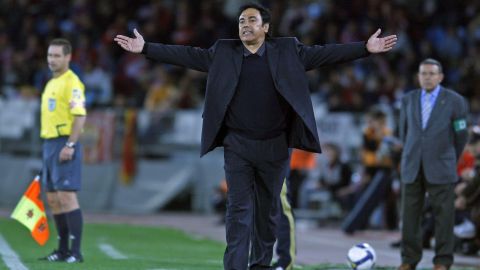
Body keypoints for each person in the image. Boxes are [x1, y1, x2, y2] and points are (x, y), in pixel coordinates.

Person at [115, 3, 397, 269]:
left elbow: (325, 54)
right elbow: (188, 55)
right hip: (238, 144)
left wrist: (365, 48)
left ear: (266, 28)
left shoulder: (288, 50)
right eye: (241, 21)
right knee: (238, 209)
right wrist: (146, 49)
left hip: (276, 145)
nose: (245, 25)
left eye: (252, 20)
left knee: (267, 212)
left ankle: (261, 264)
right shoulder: (223, 51)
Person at [398, 58, 469, 270]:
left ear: (440, 77)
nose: (427, 77)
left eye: (431, 73)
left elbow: (461, 135)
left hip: (441, 166)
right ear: (418, 76)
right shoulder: (408, 99)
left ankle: (442, 261)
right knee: (409, 217)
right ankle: (408, 260)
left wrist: (448, 158)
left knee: (444, 216)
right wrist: (412, 154)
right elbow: (404, 132)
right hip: (412, 166)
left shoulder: (455, 100)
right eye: (423, 73)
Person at [39, 38, 87, 263]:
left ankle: (75, 252)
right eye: (50, 55)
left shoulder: (72, 83)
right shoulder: (51, 82)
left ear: (68, 57)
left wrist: (70, 144)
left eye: (57, 55)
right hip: (48, 143)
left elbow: (80, 115)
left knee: (67, 197)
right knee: (53, 198)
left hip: (63, 142)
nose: (52, 60)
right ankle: (61, 250)